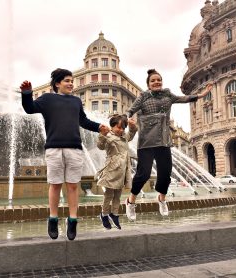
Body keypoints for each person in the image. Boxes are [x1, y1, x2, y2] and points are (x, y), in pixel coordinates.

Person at [20, 68, 109, 240]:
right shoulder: (47, 99)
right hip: (54, 148)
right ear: (57, 83)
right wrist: (27, 94)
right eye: (67, 80)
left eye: (72, 81)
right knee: (55, 185)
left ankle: (73, 219)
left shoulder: (76, 102)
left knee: (73, 185)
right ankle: (53, 218)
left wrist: (99, 127)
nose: (71, 84)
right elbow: (29, 108)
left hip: (74, 148)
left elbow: (83, 121)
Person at [125, 69, 213, 221]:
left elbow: (183, 98)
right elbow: (130, 110)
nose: (156, 82)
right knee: (143, 173)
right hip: (146, 141)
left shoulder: (168, 95)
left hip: (164, 140)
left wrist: (202, 95)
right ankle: (131, 201)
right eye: (153, 81)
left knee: (165, 172)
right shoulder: (143, 97)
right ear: (148, 84)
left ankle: (162, 199)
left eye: (159, 80)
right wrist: (127, 119)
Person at [96, 114, 137, 229]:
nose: (121, 130)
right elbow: (100, 146)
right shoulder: (108, 136)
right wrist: (102, 135)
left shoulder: (124, 136)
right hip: (112, 169)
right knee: (108, 195)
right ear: (112, 126)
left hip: (122, 170)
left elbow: (132, 134)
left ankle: (114, 214)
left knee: (118, 195)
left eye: (123, 127)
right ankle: (104, 214)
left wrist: (132, 126)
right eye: (119, 127)